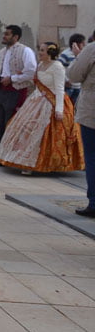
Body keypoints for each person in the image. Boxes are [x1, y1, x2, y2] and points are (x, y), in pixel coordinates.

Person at [0, 42, 84, 173]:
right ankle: (24, 161)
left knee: (42, 133)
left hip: (52, 102)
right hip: (37, 100)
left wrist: (59, 110)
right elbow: (37, 84)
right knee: (27, 130)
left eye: (42, 51)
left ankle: (39, 163)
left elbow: (60, 89)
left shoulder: (57, 67)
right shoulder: (41, 65)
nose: (39, 53)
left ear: (49, 53)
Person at [0, 24, 37, 160]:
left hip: (16, 91)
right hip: (1, 91)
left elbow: (31, 72)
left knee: (12, 124)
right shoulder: (1, 52)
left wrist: (12, 79)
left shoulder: (25, 51)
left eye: (7, 34)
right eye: (4, 34)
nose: (4, 36)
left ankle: (10, 156)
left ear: (15, 37)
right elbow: (0, 70)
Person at [66, 31, 95, 217]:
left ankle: (94, 202)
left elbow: (74, 75)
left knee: (92, 157)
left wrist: (78, 57)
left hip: (92, 111)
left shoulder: (92, 49)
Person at [60, 33, 86, 104]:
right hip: (68, 87)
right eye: (82, 43)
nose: (84, 45)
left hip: (78, 87)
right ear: (76, 44)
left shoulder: (83, 54)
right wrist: (65, 80)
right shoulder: (65, 54)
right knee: (66, 106)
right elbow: (59, 68)